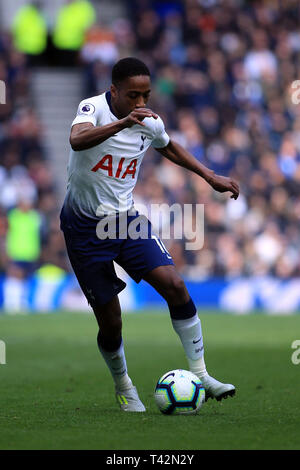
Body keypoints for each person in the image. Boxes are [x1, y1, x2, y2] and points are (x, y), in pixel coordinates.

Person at [60, 57, 239, 412]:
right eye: (133, 96)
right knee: (111, 322)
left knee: (175, 285)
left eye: (146, 95)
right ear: (114, 91)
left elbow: (168, 145)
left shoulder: (147, 121)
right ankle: (124, 385)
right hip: (83, 227)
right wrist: (124, 122)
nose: (141, 103)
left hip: (125, 221)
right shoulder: (93, 109)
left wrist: (209, 175)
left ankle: (201, 373)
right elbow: (77, 140)